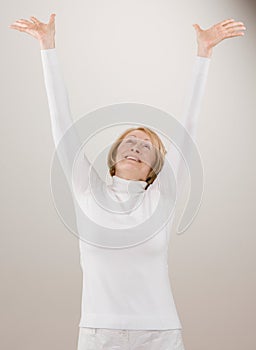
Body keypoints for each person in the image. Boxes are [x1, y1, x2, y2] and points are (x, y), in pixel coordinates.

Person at [9, 13, 246, 350]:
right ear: (114, 156)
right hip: (97, 335)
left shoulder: (161, 198)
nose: (136, 147)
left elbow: (188, 126)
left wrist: (204, 53)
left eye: (146, 146)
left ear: (153, 169)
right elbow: (61, 122)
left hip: (160, 335)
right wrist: (48, 47)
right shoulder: (86, 189)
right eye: (130, 142)